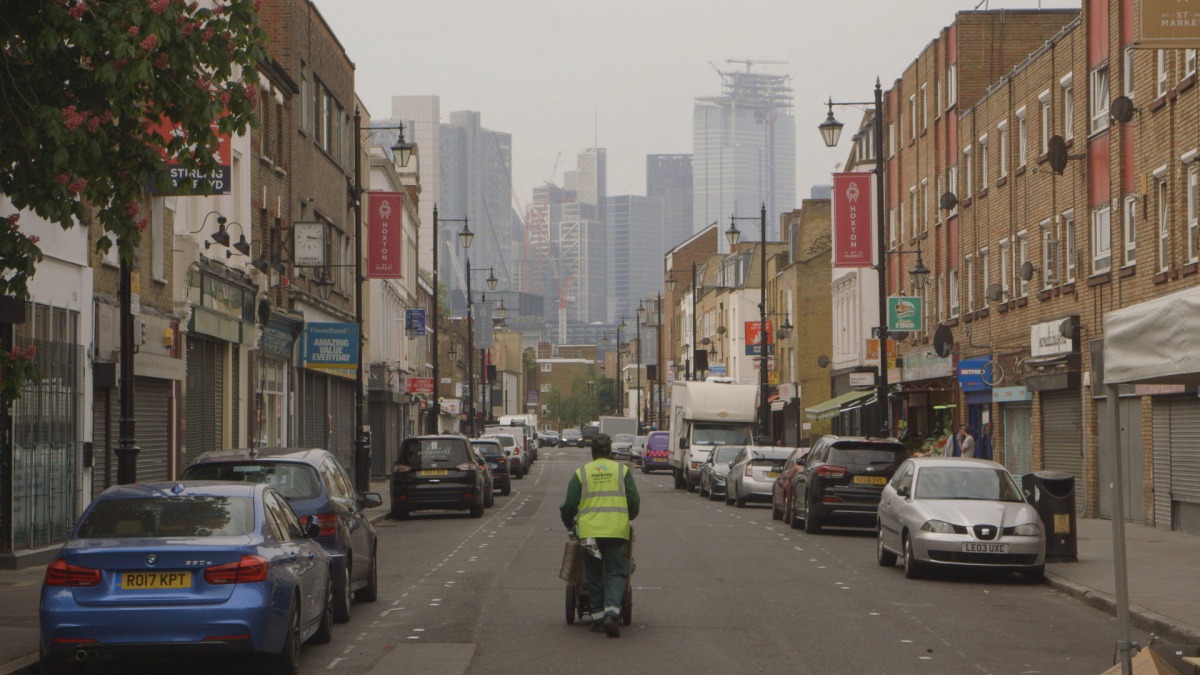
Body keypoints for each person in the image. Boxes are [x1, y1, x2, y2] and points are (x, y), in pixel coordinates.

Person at [559, 433, 640, 637]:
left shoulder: (582, 473)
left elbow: (568, 505)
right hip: (616, 531)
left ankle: (597, 618)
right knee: (615, 572)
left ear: (592, 451)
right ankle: (612, 613)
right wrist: (627, 516)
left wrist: (570, 523)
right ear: (610, 450)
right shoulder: (622, 471)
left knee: (593, 573)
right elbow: (634, 501)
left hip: (589, 533)